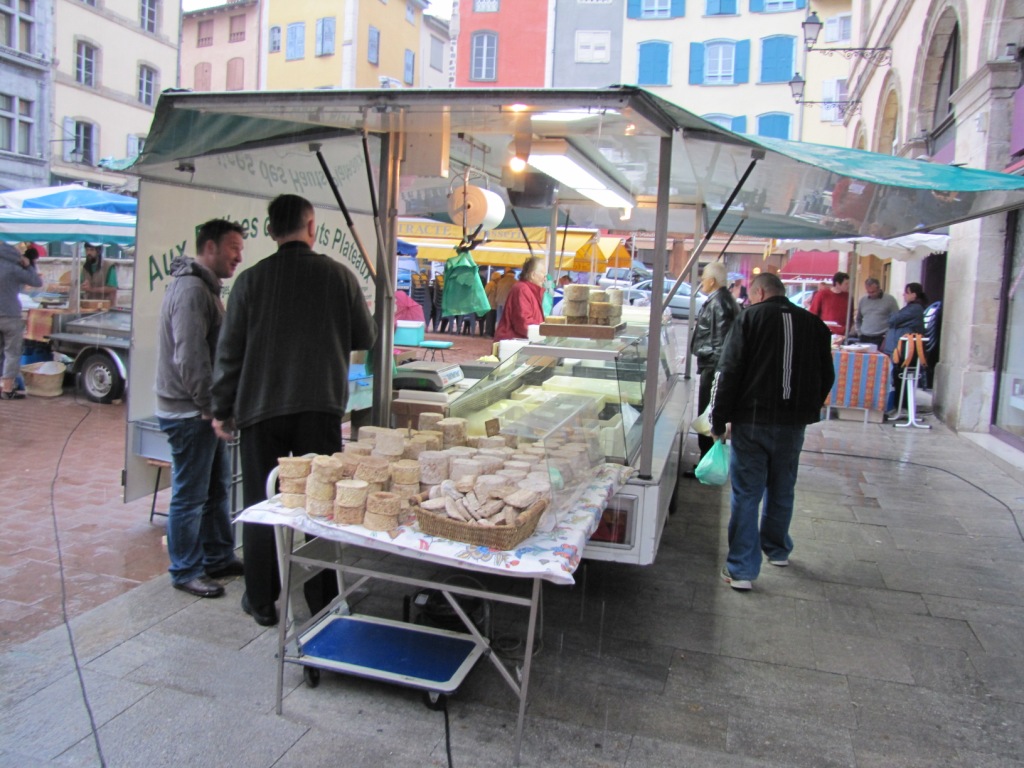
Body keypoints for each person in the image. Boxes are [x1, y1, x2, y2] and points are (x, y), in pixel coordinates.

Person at [212, 194, 377, 626]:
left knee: (262, 505)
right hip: (319, 408)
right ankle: (322, 599)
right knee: (318, 505)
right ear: (312, 228)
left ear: (270, 231)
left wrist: (220, 409)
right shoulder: (339, 277)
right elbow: (366, 337)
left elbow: (228, 355)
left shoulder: (248, 282)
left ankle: (262, 600)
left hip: (260, 411)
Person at [709, 272, 835, 591]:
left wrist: (719, 420)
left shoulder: (749, 319)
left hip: (752, 421)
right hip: (793, 425)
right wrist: (807, 409)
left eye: (751, 295)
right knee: (782, 486)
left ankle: (741, 569)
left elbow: (729, 371)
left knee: (747, 492)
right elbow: (827, 376)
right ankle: (777, 550)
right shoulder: (814, 325)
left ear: (760, 292)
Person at [155, 219, 246, 598]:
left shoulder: (206, 288)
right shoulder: (192, 290)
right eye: (233, 248)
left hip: (201, 411)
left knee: (216, 490)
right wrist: (211, 410)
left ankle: (218, 556)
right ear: (209, 247)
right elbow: (190, 358)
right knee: (191, 496)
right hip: (189, 413)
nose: (239, 256)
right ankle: (186, 569)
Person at [687, 262, 741, 468]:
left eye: (703, 280)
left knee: (709, 416)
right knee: (710, 415)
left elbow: (720, 344)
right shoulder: (722, 300)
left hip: (714, 369)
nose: (701, 284)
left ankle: (707, 462)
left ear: (711, 281)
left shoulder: (720, 303)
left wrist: (718, 373)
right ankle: (707, 460)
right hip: (713, 367)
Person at [0, 243, 43, 400]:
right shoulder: (15, 266)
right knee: (12, 353)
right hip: (11, 315)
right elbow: (37, 282)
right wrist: (29, 265)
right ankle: (7, 389)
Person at [882, 282, 928, 415]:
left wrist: (891, 317)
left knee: (900, 377)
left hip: (906, 350)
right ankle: (899, 404)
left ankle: (902, 405)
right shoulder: (911, 308)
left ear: (914, 294)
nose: (904, 295)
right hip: (901, 348)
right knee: (897, 377)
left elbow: (893, 319)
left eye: (906, 292)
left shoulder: (915, 309)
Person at [493, 257, 545, 342]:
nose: (545, 278)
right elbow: (523, 323)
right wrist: (544, 332)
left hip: (521, 343)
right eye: (543, 273)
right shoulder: (522, 289)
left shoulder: (529, 290)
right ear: (533, 275)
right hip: (514, 344)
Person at [853, 277, 898, 348]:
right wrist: (859, 332)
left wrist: (888, 335)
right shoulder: (863, 300)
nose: (871, 294)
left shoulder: (890, 300)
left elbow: (896, 318)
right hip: (864, 336)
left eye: (873, 292)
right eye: (868, 292)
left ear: (879, 289)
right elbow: (858, 319)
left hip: (882, 337)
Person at [808, 271, 851, 335]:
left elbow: (850, 316)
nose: (848, 286)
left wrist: (847, 329)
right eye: (846, 284)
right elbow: (813, 313)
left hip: (842, 334)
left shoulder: (848, 297)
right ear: (837, 283)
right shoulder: (822, 294)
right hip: (824, 332)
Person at [493, 267, 518, 331]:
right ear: (513, 275)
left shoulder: (500, 281)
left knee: (498, 319)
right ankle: (504, 332)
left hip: (498, 301)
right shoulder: (515, 282)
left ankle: (497, 331)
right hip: (507, 303)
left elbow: (495, 291)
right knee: (506, 319)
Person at [483, 269, 501, 337]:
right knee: (489, 320)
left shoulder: (497, 284)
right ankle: (488, 333)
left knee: (492, 320)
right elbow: (485, 294)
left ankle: (491, 332)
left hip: (495, 305)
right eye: (499, 277)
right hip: (490, 305)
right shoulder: (490, 284)